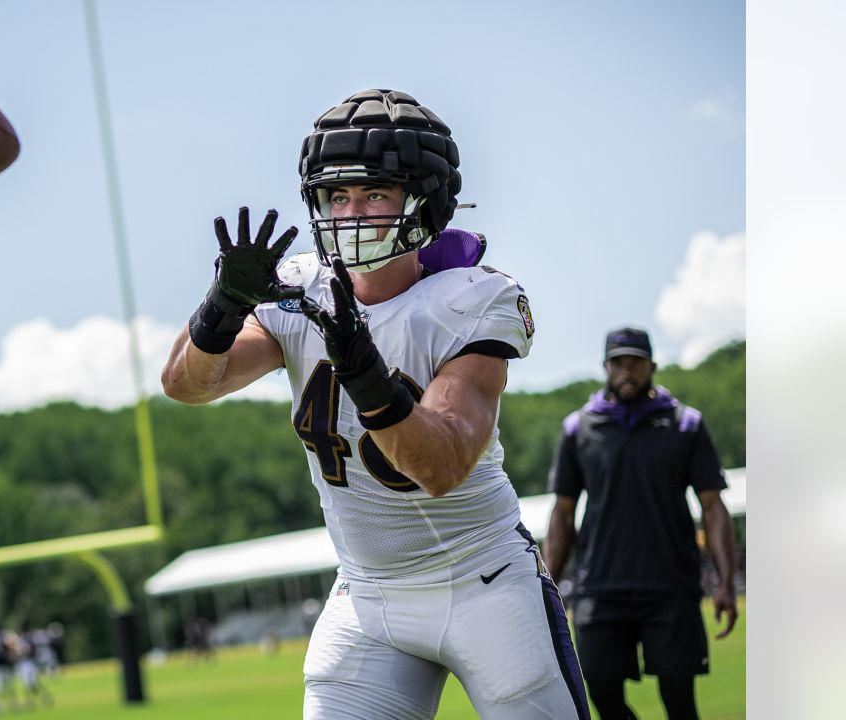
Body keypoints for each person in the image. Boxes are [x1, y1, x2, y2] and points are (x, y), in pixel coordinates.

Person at [162, 88, 588, 719]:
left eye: (374, 195)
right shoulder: (302, 286)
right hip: (368, 597)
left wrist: (361, 364)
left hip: (484, 582)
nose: (350, 213)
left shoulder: (472, 299)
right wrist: (220, 307)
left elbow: (439, 465)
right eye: (337, 196)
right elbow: (189, 383)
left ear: (425, 202)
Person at [544, 327, 738, 720]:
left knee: (680, 700)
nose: (626, 371)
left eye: (635, 362)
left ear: (652, 365)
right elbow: (563, 514)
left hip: (671, 586)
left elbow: (713, 508)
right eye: (618, 363)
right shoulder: (578, 429)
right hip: (600, 588)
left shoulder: (686, 425)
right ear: (605, 367)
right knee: (599, 688)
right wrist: (545, 589)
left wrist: (726, 583)